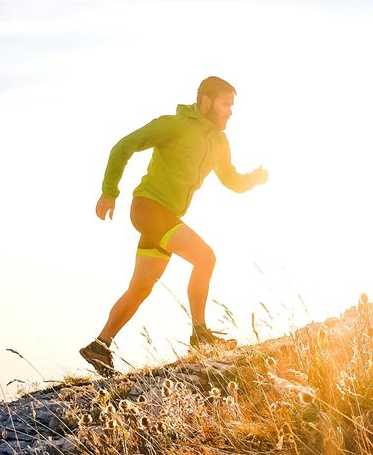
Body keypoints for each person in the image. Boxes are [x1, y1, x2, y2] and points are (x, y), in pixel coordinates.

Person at [80, 76, 268, 376]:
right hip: (149, 209)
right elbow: (123, 146)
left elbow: (231, 180)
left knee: (140, 288)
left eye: (232, 105)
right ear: (205, 102)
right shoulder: (174, 125)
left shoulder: (219, 142)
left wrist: (253, 180)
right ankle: (200, 334)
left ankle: (99, 346)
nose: (230, 111)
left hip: (165, 218)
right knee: (205, 257)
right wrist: (109, 191)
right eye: (225, 104)